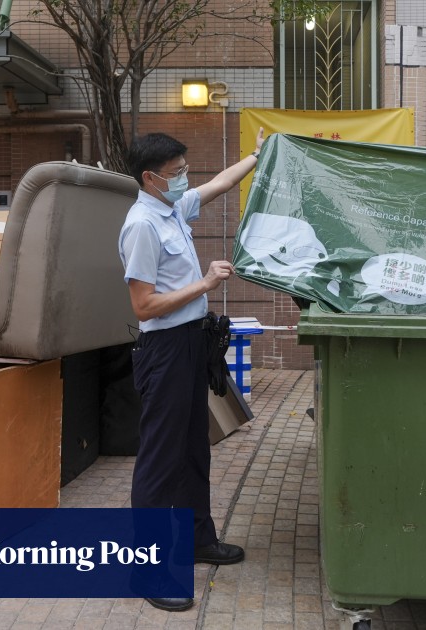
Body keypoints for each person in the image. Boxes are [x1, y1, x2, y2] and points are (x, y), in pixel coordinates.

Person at [118, 128, 266, 612]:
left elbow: (219, 184)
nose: (185, 179)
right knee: (161, 461)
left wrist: (255, 157)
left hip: (190, 344)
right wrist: (203, 284)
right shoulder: (142, 224)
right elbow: (144, 306)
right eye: (177, 173)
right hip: (163, 351)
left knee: (192, 451)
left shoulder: (171, 209)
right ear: (150, 177)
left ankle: (200, 540)